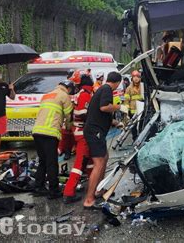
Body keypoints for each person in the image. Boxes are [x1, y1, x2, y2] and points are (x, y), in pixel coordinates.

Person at [83, 71, 126, 209]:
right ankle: (89, 199)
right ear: (118, 82)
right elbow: (104, 107)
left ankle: (98, 190)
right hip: (95, 132)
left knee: (105, 158)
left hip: (95, 130)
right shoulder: (107, 89)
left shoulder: (101, 89)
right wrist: (119, 107)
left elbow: (99, 112)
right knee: (99, 162)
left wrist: (114, 122)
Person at [32, 80, 74, 199]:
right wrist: (69, 128)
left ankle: (38, 187)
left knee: (43, 161)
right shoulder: (64, 95)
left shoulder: (47, 94)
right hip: (50, 132)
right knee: (52, 163)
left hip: (37, 131)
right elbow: (69, 116)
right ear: (68, 88)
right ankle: (54, 191)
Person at [63, 73, 94, 204]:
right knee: (79, 164)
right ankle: (68, 193)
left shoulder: (82, 93)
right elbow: (81, 113)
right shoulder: (85, 94)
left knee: (91, 161)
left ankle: (95, 187)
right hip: (83, 133)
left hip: (81, 132)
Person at [124, 70, 144, 141]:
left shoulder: (143, 86)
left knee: (142, 125)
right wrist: (126, 111)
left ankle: (141, 138)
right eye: (134, 77)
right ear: (132, 78)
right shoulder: (129, 88)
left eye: (137, 76)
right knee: (133, 127)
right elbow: (126, 100)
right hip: (133, 111)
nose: (136, 78)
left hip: (142, 110)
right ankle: (135, 139)